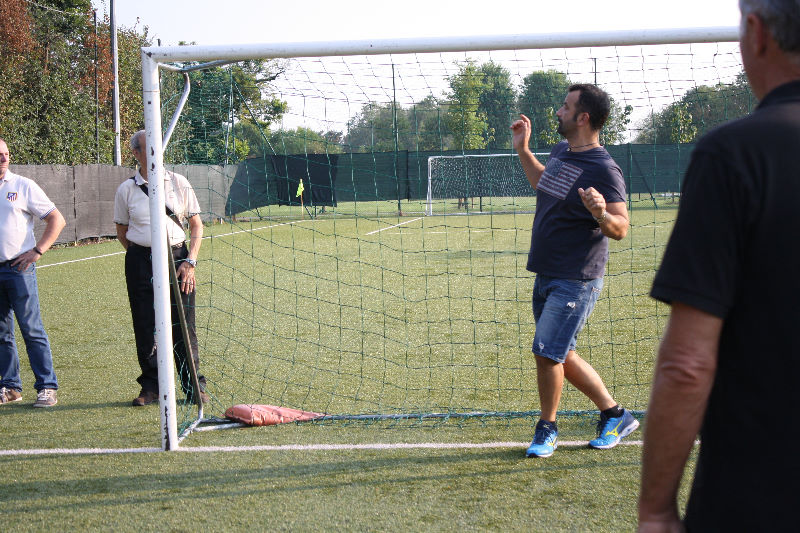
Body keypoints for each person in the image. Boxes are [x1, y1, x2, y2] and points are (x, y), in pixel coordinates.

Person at [639, 1, 800, 530]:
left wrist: (656, 510)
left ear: (756, 33)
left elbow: (687, 364)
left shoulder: (735, 154)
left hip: (758, 496)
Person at [510, 84, 638, 458]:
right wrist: (523, 151)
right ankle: (616, 415)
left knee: (547, 353)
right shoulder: (561, 152)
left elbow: (621, 228)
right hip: (547, 272)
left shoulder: (604, 168)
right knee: (560, 353)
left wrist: (600, 212)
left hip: (576, 278)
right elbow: (543, 182)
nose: (558, 112)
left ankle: (546, 428)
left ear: (583, 117)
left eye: (565, 107)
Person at [114, 130, 208, 406]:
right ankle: (151, 387)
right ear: (136, 153)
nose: (157, 151)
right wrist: (142, 255)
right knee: (145, 324)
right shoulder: (126, 189)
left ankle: (193, 386)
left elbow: (196, 226)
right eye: (149, 147)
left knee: (184, 325)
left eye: (159, 145)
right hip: (140, 261)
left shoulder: (179, 183)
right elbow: (121, 231)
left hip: (178, 259)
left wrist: (190, 261)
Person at [0, 138, 66, 408]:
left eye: (6, 153)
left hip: (19, 269)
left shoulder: (22, 185)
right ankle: (10, 387)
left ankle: (47, 386)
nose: (3, 158)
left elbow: (56, 219)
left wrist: (38, 250)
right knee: (1, 333)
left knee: (31, 329)